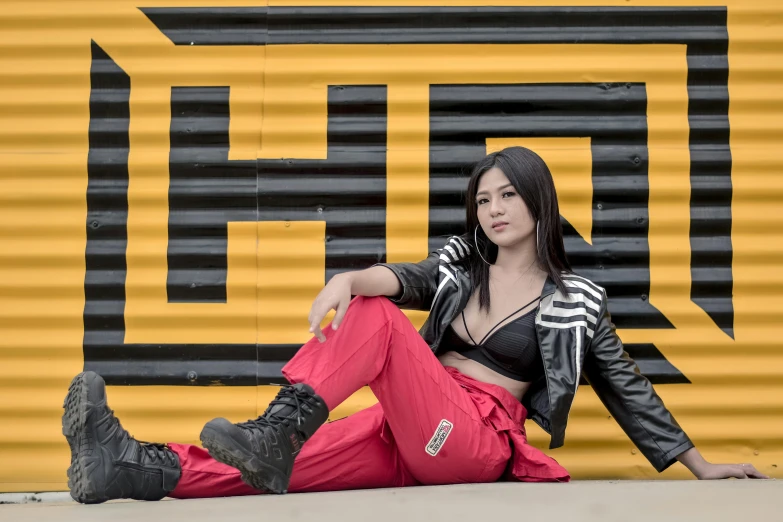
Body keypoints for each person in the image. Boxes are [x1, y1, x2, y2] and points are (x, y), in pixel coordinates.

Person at [61, 146, 769, 504]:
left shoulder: (576, 298)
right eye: (482, 198)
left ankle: (278, 427)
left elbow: (625, 387)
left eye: (507, 195)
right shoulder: (462, 264)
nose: (492, 209)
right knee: (266, 470)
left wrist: (699, 464)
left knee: (375, 321)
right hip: (409, 428)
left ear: (536, 202)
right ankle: (128, 466)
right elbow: (405, 278)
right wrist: (346, 277)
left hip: (472, 439)